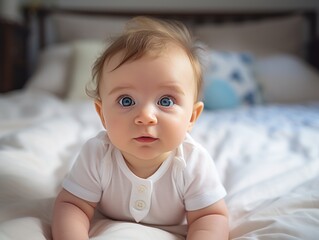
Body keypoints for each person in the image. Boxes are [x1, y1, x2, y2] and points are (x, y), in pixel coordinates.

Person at [52, 16, 229, 240]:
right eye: (126, 100)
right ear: (102, 114)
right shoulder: (97, 154)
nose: (145, 117)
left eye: (166, 101)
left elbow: (210, 216)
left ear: (192, 116)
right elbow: (72, 205)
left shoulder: (193, 162)